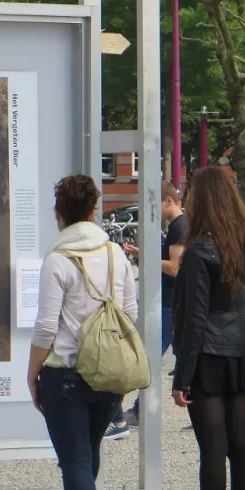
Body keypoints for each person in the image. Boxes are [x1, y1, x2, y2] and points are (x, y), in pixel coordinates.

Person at [28, 174, 137, 490]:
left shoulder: (58, 260)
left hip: (65, 374)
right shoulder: (115, 254)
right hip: (108, 374)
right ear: (93, 212)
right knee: (88, 453)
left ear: (59, 215)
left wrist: (31, 374)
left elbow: (45, 327)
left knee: (74, 460)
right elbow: (130, 312)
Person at [171, 166, 245, 490]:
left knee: (213, 450)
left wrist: (181, 376)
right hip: (240, 353)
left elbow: (195, 319)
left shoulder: (199, 252)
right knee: (241, 445)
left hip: (207, 356)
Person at [107, 181, 186, 438]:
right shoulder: (176, 226)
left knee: (146, 357)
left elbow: (174, 267)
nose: (152, 210)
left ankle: (133, 413)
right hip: (170, 301)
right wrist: (142, 252)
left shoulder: (179, 227)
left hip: (169, 303)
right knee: (166, 355)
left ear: (169, 201)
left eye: (155, 204)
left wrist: (146, 256)